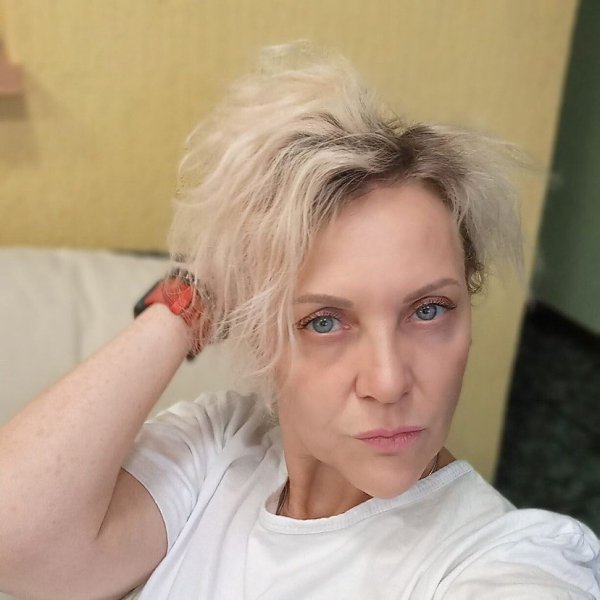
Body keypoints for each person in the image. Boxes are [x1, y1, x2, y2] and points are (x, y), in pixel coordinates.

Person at [0, 44, 598, 600]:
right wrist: (196, 292)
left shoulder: (510, 556)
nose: (389, 381)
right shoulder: (217, 449)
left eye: (428, 310)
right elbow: (16, 544)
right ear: (258, 327)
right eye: (325, 321)